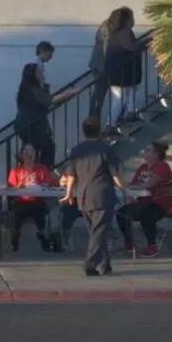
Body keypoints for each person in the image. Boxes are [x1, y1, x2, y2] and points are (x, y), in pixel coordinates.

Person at [60, 116, 125, 276]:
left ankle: (105, 264)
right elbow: (115, 174)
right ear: (99, 131)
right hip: (102, 194)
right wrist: (124, 188)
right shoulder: (106, 150)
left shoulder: (76, 151)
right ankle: (90, 264)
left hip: (83, 195)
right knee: (99, 231)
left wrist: (69, 194)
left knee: (96, 231)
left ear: (84, 131)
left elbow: (71, 175)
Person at [117, 140, 172, 257]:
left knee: (146, 214)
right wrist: (129, 192)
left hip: (159, 202)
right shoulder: (142, 167)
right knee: (121, 213)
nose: (144, 152)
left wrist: (134, 188)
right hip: (142, 201)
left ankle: (152, 246)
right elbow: (134, 184)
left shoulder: (162, 166)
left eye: (148, 150)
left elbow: (150, 184)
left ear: (156, 154)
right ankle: (129, 243)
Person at [7, 143, 57, 252]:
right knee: (17, 213)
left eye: (32, 152)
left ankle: (42, 235)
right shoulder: (16, 171)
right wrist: (19, 186)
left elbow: (48, 184)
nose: (29, 155)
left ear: (35, 154)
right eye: (26, 152)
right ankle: (15, 237)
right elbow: (11, 188)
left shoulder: (42, 169)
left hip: (37, 200)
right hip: (21, 200)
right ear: (21, 155)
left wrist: (41, 186)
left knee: (39, 211)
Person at [16, 42, 56, 166]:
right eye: (50, 53)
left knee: (37, 147)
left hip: (29, 124)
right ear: (44, 51)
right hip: (31, 125)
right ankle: (39, 170)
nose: (42, 76)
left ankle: (36, 170)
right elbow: (48, 100)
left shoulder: (27, 89)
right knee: (41, 147)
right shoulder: (35, 65)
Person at [103, 7, 143, 128]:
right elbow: (131, 47)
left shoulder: (121, 32)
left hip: (124, 72)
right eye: (132, 18)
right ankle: (110, 125)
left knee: (131, 90)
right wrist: (149, 39)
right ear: (126, 20)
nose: (133, 20)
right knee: (119, 99)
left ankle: (130, 113)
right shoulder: (122, 32)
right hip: (119, 72)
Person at [88, 14, 111, 117]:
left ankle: (94, 119)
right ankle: (93, 120)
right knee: (98, 95)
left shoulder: (105, 27)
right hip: (101, 66)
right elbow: (106, 48)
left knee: (98, 95)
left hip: (98, 65)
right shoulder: (107, 29)